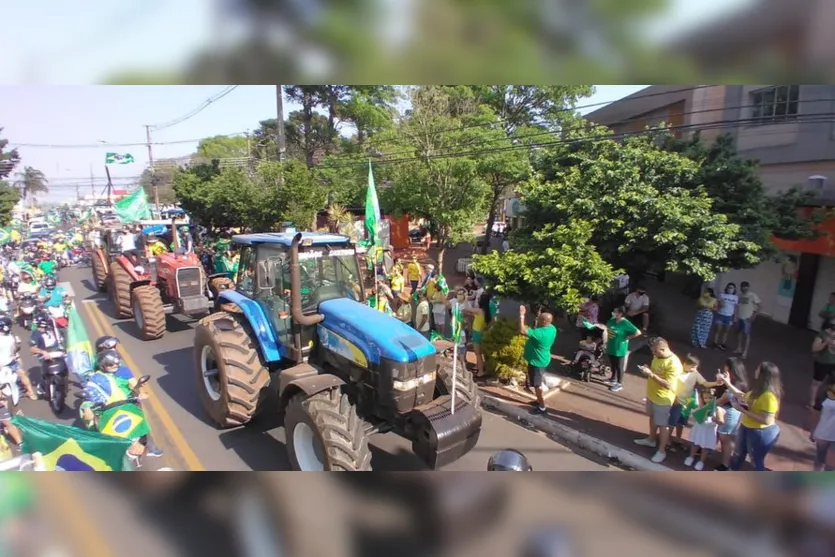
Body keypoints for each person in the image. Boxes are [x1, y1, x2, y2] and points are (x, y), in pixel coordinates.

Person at [81, 350, 163, 459]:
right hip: (108, 410)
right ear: (103, 366)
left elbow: (134, 385)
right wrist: (87, 408)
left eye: (117, 363)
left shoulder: (124, 371)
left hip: (128, 404)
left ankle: (150, 445)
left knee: (142, 423)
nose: (115, 366)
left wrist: (141, 392)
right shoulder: (96, 378)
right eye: (110, 364)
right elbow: (89, 395)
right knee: (93, 426)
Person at [721, 361, 782, 471]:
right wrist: (727, 383)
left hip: (759, 432)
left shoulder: (769, 396)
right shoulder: (758, 389)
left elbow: (766, 420)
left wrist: (742, 410)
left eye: (758, 369)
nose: (755, 370)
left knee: (755, 461)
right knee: (738, 454)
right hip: (746, 426)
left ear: (763, 374)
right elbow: (743, 396)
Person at [634, 338, 682, 464]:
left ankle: (662, 451)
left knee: (663, 425)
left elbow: (668, 385)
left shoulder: (674, 364)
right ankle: (651, 439)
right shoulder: (657, 357)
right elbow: (655, 372)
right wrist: (647, 370)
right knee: (652, 417)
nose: (653, 354)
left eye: (655, 351)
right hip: (651, 394)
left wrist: (650, 374)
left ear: (663, 349)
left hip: (663, 398)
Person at [667, 353, 723, 452]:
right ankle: (667, 440)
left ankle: (678, 439)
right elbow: (672, 385)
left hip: (688, 401)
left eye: (695, 367)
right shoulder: (678, 372)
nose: (694, 369)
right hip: (677, 400)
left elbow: (705, 383)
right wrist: (674, 397)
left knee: (682, 421)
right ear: (685, 364)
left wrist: (716, 383)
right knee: (672, 421)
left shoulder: (695, 374)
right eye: (692, 367)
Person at [519, 304, 557, 415]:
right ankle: (538, 400)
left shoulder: (539, 333)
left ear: (544, 322)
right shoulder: (552, 329)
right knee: (535, 382)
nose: (537, 319)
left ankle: (542, 407)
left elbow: (522, 330)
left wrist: (522, 315)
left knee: (537, 385)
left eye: (540, 319)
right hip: (542, 359)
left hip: (537, 362)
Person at [596, 306, 641, 392]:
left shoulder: (625, 323)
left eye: (615, 311)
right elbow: (606, 328)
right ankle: (613, 378)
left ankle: (619, 383)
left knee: (619, 365)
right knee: (613, 363)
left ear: (620, 313)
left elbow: (638, 332)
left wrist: (627, 338)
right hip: (611, 345)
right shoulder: (611, 321)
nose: (613, 313)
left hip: (620, 347)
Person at [713, 357, 747, 471]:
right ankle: (725, 462)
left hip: (730, 413)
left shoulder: (736, 384)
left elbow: (723, 399)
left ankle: (725, 464)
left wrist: (707, 408)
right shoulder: (733, 381)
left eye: (726, 368)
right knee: (723, 438)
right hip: (725, 411)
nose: (724, 370)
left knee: (725, 439)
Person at [684, 386, 725, 471]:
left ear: (715, 397)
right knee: (695, 443)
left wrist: (715, 419)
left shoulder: (717, 409)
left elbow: (721, 422)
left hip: (709, 430)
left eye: (710, 397)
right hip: (699, 428)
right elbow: (696, 416)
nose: (708, 399)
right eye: (705, 397)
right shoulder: (702, 406)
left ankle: (701, 461)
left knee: (705, 447)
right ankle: (691, 456)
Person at [0, 314, 36, 401]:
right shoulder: (11, 338)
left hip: (6, 363)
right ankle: (31, 392)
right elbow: (15, 350)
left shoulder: (9, 338)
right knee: (23, 374)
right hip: (11, 362)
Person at [463, 292, 493, 377]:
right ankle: (481, 368)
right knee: (481, 353)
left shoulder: (479, 310)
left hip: (477, 333)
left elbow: (466, 308)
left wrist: (465, 298)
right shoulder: (487, 311)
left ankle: (480, 371)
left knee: (478, 354)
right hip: (483, 332)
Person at [810, 378, 835, 471]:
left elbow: (816, 413)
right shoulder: (824, 394)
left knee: (820, 460)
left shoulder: (824, 393)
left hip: (822, 433)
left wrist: (813, 431)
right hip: (825, 434)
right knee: (830, 467)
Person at [810, 320, 835, 409]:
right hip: (822, 362)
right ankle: (812, 403)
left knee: (832, 384)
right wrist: (825, 343)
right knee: (816, 383)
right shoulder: (822, 334)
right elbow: (814, 348)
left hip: (833, 363)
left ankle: (825, 400)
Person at [732, 281, 760, 359]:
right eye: (742, 286)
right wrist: (735, 316)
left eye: (745, 286)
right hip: (740, 316)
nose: (744, 288)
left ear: (748, 287)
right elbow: (736, 306)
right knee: (738, 333)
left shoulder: (752, 295)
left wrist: (753, 316)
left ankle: (745, 351)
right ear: (740, 287)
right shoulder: (739, 296)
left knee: (747, 334)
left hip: (747, 318)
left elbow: (759, 306)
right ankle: (739, 348)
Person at [712, 283, 739, 351]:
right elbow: (716, 304)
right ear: (726, 288)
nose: (730, 289)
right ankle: (715, 342)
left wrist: (735, 316)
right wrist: (720, 305)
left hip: (729, 316)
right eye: (729, 287)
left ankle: (722, 343)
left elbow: (735, 307)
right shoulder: (722, 295)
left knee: (726, 331)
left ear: (734, 289)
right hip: (720, 314)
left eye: (732, 288)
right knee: (718, 330)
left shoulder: (735, 297)